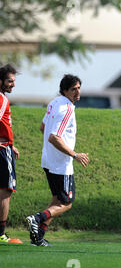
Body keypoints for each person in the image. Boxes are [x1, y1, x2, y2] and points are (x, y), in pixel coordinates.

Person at [26, 74, 90, 246]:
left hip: (48, 160)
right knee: (67, 203)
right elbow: (54, 137)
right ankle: (37, 217)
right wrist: (74, 154)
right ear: (65, 91)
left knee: (56, 200)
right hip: (60, 164)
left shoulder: (54, 102)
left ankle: (37, 238)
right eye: (73, 89)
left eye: (78, 88)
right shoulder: (68, 108)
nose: (77, 92)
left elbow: (43, 127)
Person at [0, 64, 21, 244]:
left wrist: (11, 144)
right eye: (9, 81)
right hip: (1, 150)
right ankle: (1, 234)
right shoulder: (1, 99)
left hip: (6, 146)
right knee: (6, 191)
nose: (13, 84)